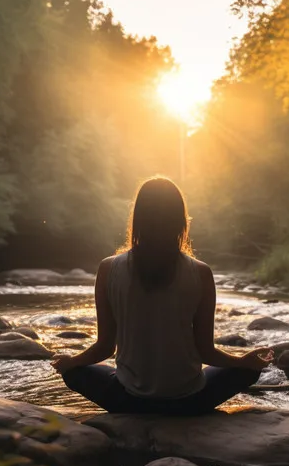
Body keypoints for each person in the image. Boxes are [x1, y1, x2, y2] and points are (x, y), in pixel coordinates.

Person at [51, 176, 272, 415]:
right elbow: (206, 351)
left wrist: (70, 362)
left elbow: (104, 348)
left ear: (138, 220)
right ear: (180, 222)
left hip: (127, 400)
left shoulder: (108, 269)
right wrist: (243, 362)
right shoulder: (201, 273)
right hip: (190, 402)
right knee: (248, 370)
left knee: (75, 372)